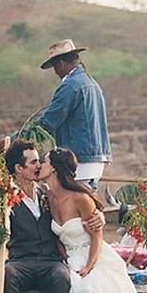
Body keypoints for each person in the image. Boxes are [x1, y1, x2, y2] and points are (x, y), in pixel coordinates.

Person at [37, 147, 144, 293]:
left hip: (93, 254)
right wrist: (64, 255)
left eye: (44, 161)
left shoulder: (80, 198)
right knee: (73, 288)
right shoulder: (47, 198)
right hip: (70, 257)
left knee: (88, 289)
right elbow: (56, 234)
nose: (40, 165)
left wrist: (89, 265)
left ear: (54, 169)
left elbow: (97, 236)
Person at [3, 140, 104, 293]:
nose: (39, 166)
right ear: (19, 169)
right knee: (7, 274)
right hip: (21, 261)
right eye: (33, 162)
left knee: (62, 276)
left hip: (51, 261)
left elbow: (80, 206)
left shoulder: (47, 194)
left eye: (40, 161)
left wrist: (99, 217)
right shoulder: (4, 198)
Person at [36, 39, 112, 191]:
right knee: (85, 206)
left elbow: (49, 121)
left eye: (55, 67)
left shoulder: (71, 85)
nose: (56, 72)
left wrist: (13, 139)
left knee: (74, 208)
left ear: (61, 64)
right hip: (95, 159)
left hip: (80, 160)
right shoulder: (91, 82)